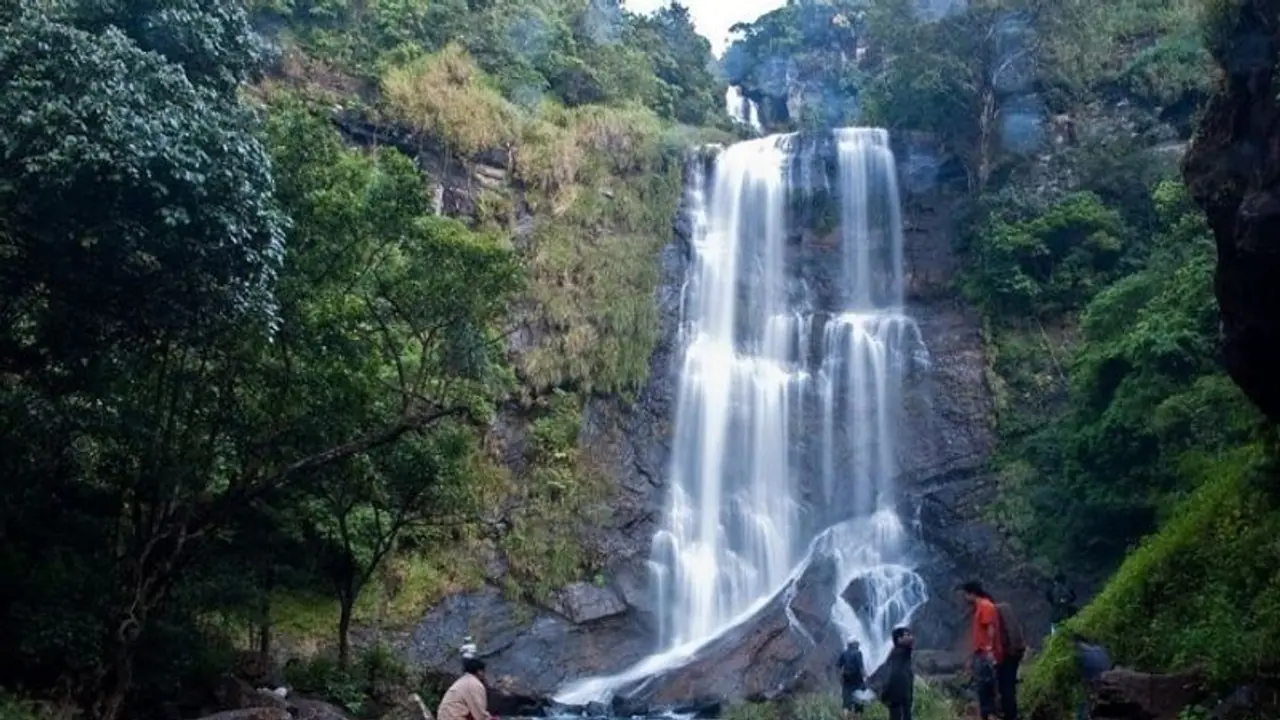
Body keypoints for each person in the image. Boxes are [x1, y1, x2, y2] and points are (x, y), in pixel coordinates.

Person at [960, 581, 1002, 720]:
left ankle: (990, 714)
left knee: (986, 686)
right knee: (982, 685)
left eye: (965, 594)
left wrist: (989, 649)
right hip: (980, 653)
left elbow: (991, 628)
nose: (965, 598)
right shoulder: (979, 607)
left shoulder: (985, 606)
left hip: (985, 653)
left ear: (971, 593)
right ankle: (986, 714)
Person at [994, 597, 1027, 720]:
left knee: (1006, 686)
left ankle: (1010, 714)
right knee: (1009, 685)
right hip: (1013, 653)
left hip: (1008, 654)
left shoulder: (998, 611)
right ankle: (1010, 712)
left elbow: (1011, 632)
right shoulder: (1005, 610)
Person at [1071, 633, 1111, 720]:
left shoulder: (1079, 655)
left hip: (1096, 686)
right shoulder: (1101, 650)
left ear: (1075, 643)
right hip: (1108, 684)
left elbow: (1084, 680)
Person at [880, 626, 915, 720]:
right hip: (899, 699)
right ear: (899, 639)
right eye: (907, 635)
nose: (911, 637)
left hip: (900, 698)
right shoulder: (900, 654)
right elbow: (894, 676)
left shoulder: (896, 654)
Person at [837, 639, 867, 717]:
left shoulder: (843, 653)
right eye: (857, 644)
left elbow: (838, 666)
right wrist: (866, 677)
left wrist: (841, 678)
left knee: (846, 704)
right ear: (854, 644)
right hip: (858, 681)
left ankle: (846, 717)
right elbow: (861, 668)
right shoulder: (858, 653)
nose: (858, 645)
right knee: (859, 704)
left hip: (847, 681)